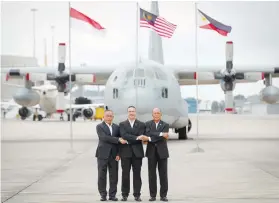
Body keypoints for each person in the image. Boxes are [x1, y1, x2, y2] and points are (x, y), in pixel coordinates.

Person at [95, 109, 128, 201]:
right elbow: (104, 137)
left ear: (113, 117)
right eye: (107, 116)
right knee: (102, 175)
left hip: (114, 155)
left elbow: (120, 142)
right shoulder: (99, 126)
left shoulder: (117, 127)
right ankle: (103, 194)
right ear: (103, 117)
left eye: (111, 116)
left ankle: (112, 195)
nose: (109, 117)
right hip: (102, 154)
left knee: (114, 176)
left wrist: (118, 153)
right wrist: (117, 139)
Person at [142, 108, 170, 202]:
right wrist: (161, 134)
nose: (156, 114)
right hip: (151, 153)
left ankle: (163, 195)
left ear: (160, 114)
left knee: (163, 175)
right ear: (152, 114)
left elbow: (159, 138)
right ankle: (152, 195)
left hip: (162, 153)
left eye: (158, 113)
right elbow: (147, 133)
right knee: (152, 175)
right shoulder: (147, 124)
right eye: (155, 113)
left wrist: (149, 138)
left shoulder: (165, 125)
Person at [119, 106, 146, 202]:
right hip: (125, 153)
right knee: (125, 174)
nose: (131, 113)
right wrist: (136, 138)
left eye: (133, 111)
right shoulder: (122, 124)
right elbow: (124, 135)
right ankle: (124, 195)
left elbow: (141, 134)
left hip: (137, 153)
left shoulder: (142, 124)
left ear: (135, 112)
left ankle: (137, 195)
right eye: (130, 111)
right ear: (127, 113)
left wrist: (129, 139)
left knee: (137, 175)